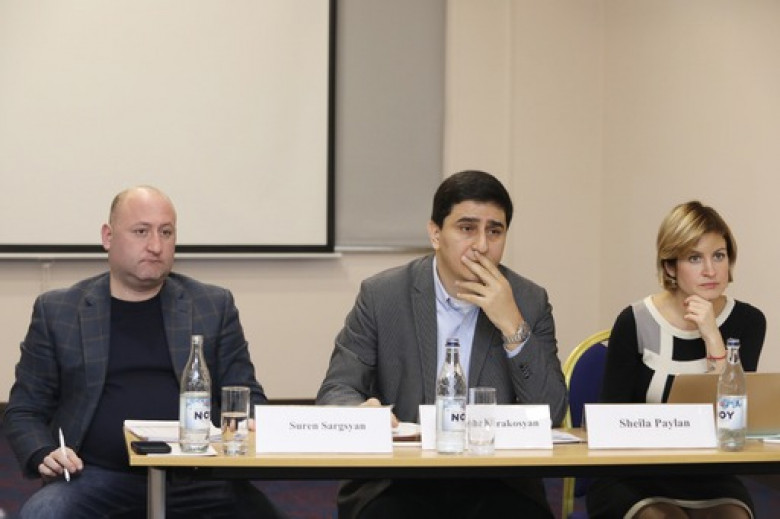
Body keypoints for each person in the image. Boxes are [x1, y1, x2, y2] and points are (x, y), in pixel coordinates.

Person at [2, 186, 284, 519]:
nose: (156, 246)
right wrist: (43, 452)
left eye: (166, 233)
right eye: (141, 232)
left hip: (198, 475)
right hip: (93, 476)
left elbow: (246, 394)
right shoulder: (59, 311)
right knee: (44, 513)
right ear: (108, 237)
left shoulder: (212, 305)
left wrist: (250, 421)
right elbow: (25, 409)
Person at [316, 170, 568, 519]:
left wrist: (513, 326)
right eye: (467, 228)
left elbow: (551, 414)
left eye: (494, 231)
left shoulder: (528, 300)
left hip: (495, 478)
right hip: (399, 477)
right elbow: (337, 389)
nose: (482, 245)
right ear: (435, 233)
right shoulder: (382, 295)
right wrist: (359, 412)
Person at [586, 200, 766, 519]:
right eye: (695, 258)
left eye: (719, 256)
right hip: (633, 472)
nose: (710, 270)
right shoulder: (635, 320)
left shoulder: (748, 321)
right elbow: (608, 419)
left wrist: (712, 337)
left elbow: (732, 418)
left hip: (710, 473)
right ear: (670, 267)